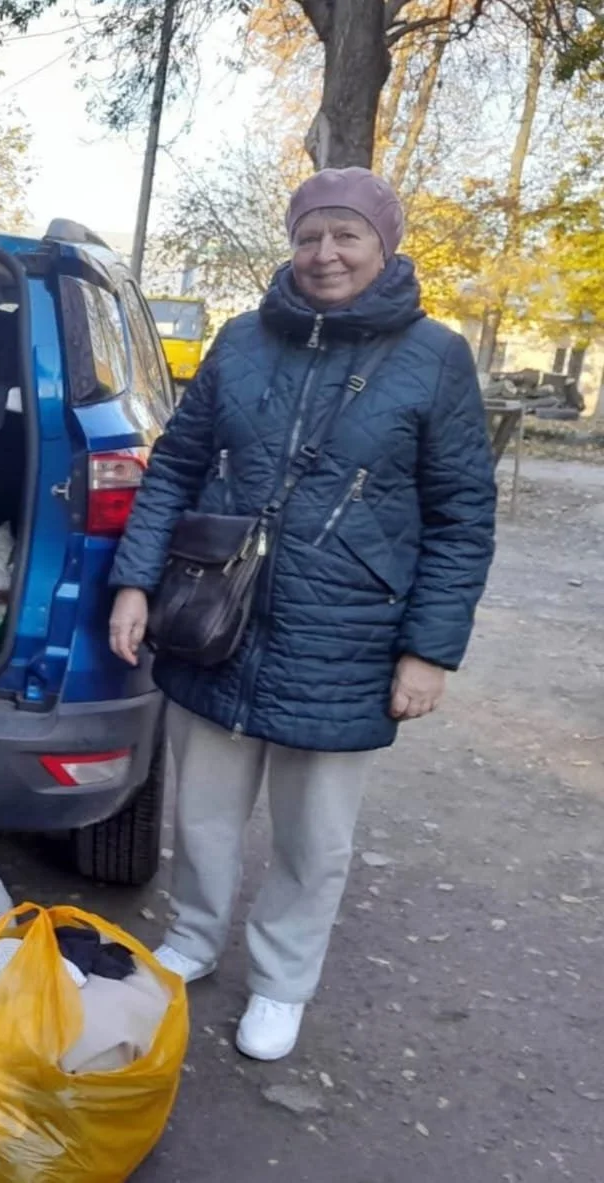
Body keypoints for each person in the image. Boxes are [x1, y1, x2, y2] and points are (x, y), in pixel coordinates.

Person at [107, 168, 496, 1062]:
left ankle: (281, 981)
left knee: (313, 836)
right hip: (215, 614)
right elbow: (176, 467)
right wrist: (135, 582)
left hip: (346, 633)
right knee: (204, 810)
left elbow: (462, 515)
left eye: (346, 236)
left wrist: (430, 651)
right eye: (310, 235)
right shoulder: (241, 341)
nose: (325, 254)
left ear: (383, 246)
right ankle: (195, 936)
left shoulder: (434, 356)